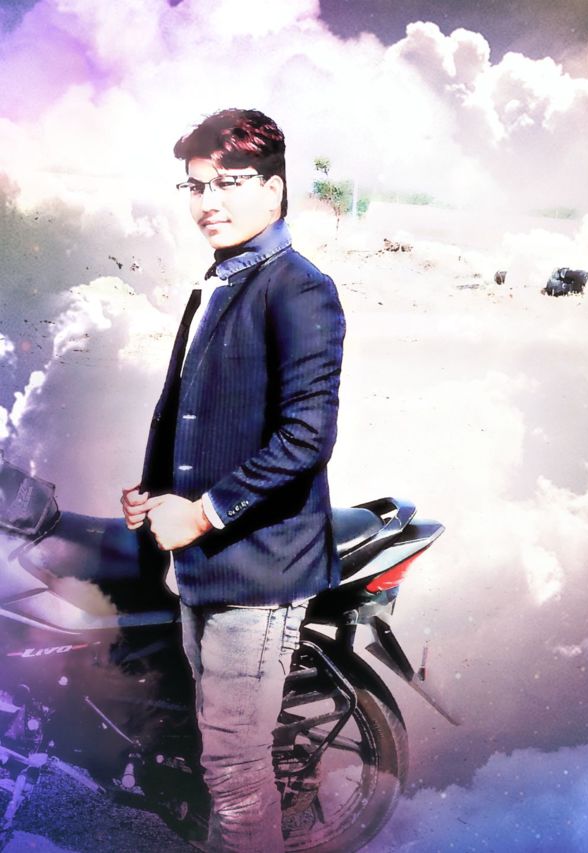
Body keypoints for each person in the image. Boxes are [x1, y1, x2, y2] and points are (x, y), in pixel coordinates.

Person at [120, 108, 345, 852]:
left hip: (259, 568)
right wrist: (155, 492)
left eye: (229, 183)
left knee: (236, 774)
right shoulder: (219, 280)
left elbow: (307, 436)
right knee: (224, 764)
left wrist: (201, 513)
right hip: (208, 563)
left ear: (274, 191)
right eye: (195, 186)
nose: (207, 201)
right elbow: (196, 410)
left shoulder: (298, 287)